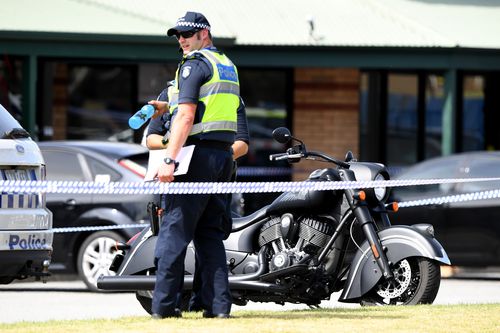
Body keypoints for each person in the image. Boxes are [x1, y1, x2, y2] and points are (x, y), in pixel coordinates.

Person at [147, 11, 241, 319]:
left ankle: (163, 309)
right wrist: (169, 106)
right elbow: (206, 110)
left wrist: (169, 159)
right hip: (222, 158)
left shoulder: (195, 64)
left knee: (173, 233)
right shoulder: (226, 65)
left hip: (194, 157)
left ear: (205, 34)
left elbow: (187, 117)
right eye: (178, 36)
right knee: (209, 235)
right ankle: (218, 309)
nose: (182, 40)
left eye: (188, 34)